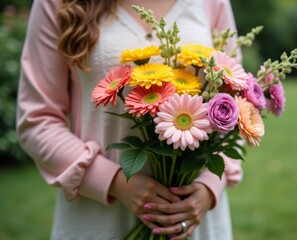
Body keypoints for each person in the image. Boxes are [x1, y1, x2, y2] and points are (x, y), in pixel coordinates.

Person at [16, 0, 243, 239]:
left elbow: (237, 103)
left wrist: (208, 187)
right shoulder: (57, 4)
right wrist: (112, 181)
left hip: (196, 222)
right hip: (100, 219)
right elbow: (37, 119)